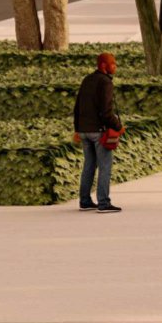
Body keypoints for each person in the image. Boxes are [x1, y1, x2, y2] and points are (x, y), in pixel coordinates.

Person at [73, 52, 122, 213]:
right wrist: (117, 126)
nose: (115, 66)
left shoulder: (87, 80)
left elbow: (77, 107)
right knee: (105, 166)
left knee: (89, 166)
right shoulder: (105, 82)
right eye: (112, 63)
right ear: (103, 65)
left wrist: (77, 129)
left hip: (84, 130)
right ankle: (103, 202)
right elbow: (106, 111)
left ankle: (85, 201)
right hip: (99, 131)